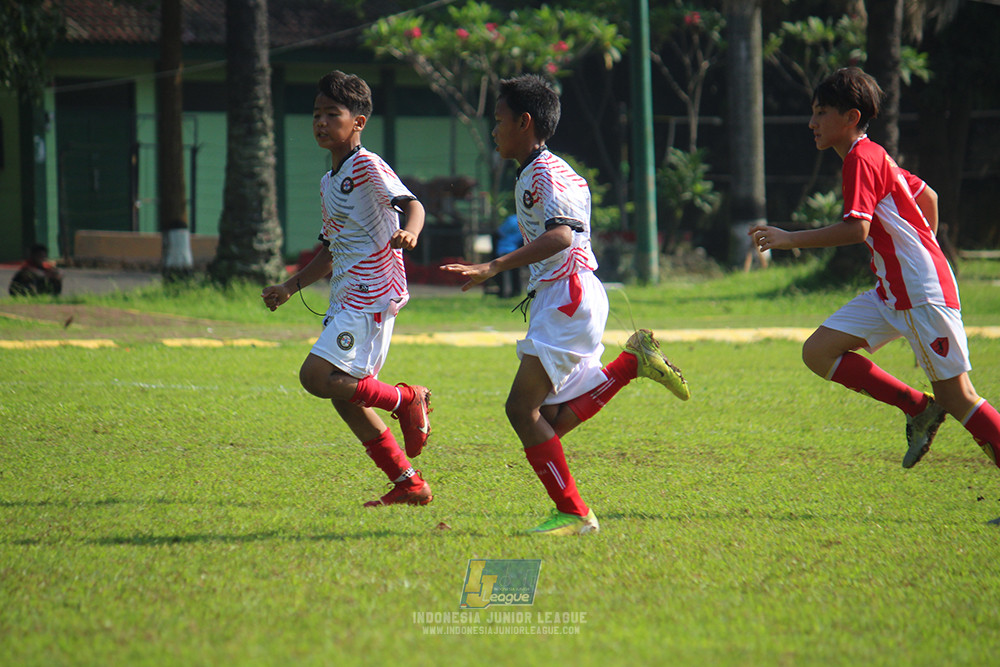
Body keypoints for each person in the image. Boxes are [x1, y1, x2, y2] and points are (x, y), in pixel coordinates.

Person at [441, 75, 690, 536]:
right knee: (547, 419)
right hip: (569, 295)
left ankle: (575, 512)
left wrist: (492, 267)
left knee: (521, 410)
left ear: (524, 122)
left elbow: (561, 236)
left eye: (498, 121)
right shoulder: (552, 170)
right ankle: (630, 365)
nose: (494, 130)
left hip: (568, 295)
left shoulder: (543, 175)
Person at [750, 67, 1000, 475]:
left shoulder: (861, 158)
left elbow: (857, 229)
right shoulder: (872, 155)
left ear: (850, 118)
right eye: (812, 112)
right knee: (818, 352)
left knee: (960, 397)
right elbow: (928, 197)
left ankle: (931, 407)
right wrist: (917, 251)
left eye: (822, 112)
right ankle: (917, 407)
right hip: (894, 291)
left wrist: (788, 238)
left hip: (918, 294)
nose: (812, 122)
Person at [261, 71, 434, 508]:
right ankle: (409, 483)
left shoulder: (367, 165)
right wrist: (289, 286)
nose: (320, 122)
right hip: (347, 296)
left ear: (357, 121)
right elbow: (331, 251)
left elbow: (413, 204)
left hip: (373, 293)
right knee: (344, 394)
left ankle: (405, 398)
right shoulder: (329, 181)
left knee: (316, 377)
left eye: (331, 114)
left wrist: (410, 233)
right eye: (316, 114)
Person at [494, 213, 523, 297]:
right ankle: (516, 291)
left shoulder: (511, 220)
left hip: (504, 248)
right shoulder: (526, 220)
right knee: (515, 272)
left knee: (501, 272)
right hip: (517, 250)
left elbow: (500, 231)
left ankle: (503, 292)